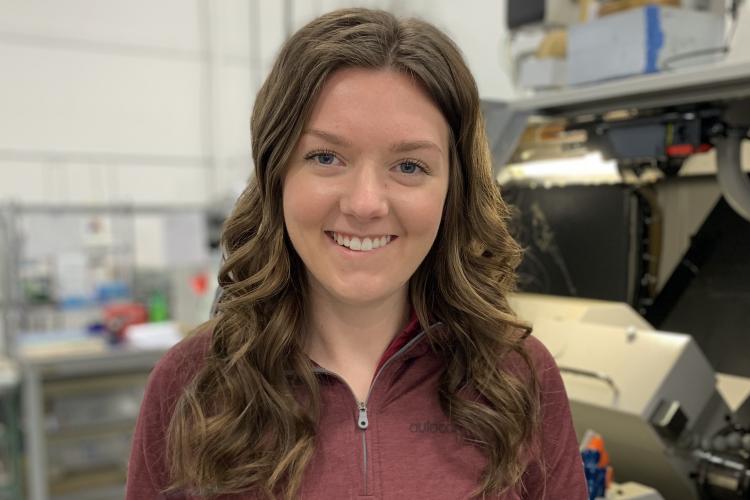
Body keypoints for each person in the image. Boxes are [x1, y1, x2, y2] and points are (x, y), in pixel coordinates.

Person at [126, 8, 587, 500]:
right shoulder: (191, 384)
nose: (365, 204)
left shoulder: (518, 378)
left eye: (409, 165)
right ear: (275, 174)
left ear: (454, 190)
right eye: (326, 158)